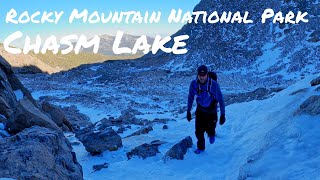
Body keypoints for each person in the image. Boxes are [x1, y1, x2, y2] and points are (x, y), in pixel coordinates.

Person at [187, 65, 226, 154]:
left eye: (203, 75)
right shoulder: (194, 84)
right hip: (200, 110)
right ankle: (201, 148)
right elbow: (190, 97)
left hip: (211, 112)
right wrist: (188, 111)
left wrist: (222, 115)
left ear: (207, 75)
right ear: (197, 75)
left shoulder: (214, 85)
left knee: (210, 129)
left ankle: (211, 134)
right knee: (198, 131)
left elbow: (221, 100)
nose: (201, 77)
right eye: (200, 75)